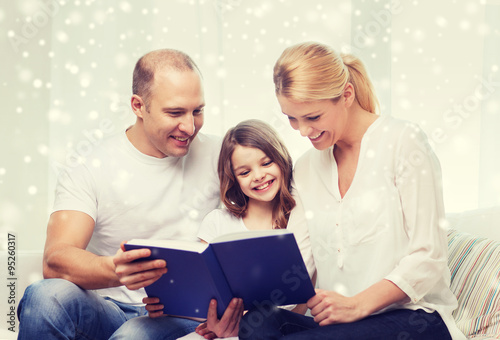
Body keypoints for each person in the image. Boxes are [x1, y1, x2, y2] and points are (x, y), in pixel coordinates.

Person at [239, 42, 467, 339]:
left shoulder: (403, 142)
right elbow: (300, 262)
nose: (303, 131)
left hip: (416, 318)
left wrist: (357, 305)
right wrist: (240, 309)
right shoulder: (307, 168)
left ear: (346, 95)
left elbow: (429, 257)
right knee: (257, 323)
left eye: (313, 117)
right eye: (292, 118)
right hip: (344, 327)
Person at [17, 48, 223, 340]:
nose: (190, 127)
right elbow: (55, 259)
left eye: (197, 111)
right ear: (138, 106)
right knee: (45, 296)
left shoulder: (222, 154)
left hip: (184, 316)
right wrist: (113, 269)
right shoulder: (90, 165)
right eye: (175, 112)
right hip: (109, 308)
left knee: (131, 336)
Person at [113, 119, 315, 340]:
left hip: (272, 327)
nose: (258, 176)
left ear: (282, 159)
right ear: (234, 179)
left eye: (266, 163)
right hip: (216, 326)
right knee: (133, 333)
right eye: (244, 172)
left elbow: (300, 303)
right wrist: (168, 306)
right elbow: (203, 291)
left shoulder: (300, 218)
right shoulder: (218, 222)